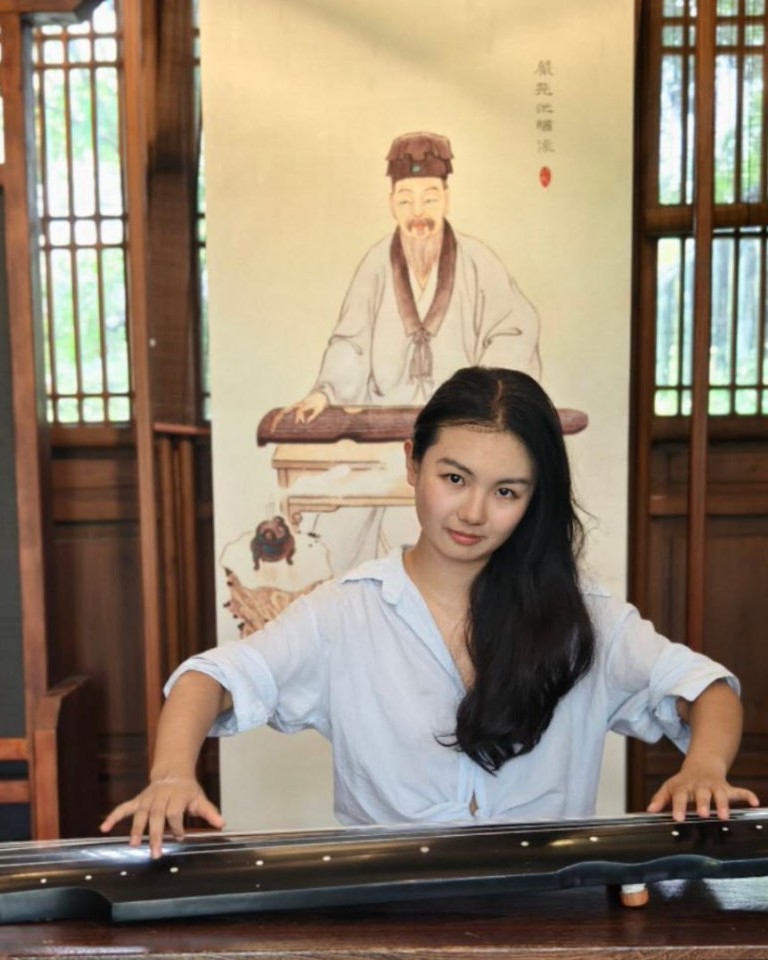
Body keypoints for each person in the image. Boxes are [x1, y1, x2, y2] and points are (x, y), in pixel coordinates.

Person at [102, 367, 759, 858]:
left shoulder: (583, 616)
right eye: (454, 478)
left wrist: (703, 768)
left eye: (506, 491)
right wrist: (171, 775)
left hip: (549, 909)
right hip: (386, 910)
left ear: (534, 497)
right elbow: (210, 678)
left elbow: (708, 689)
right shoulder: (346, 611)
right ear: (412, 464)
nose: (473, 512)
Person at [281, 131, 541, 425]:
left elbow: (514, 330)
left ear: (446, 200)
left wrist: (481, 397)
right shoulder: (376, 265)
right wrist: (325, 393)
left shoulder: (478, 262)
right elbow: (352, 343)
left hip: (460, 422)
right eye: (406, 201)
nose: (418, 212)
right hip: (384, 419)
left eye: (429, 199)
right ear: (392, 204)